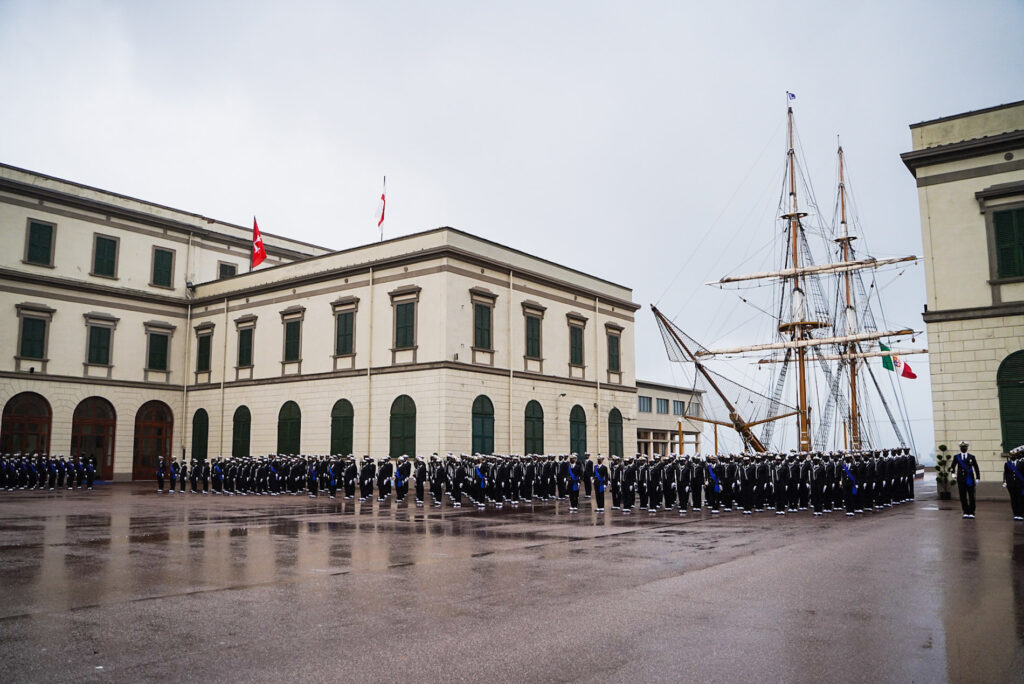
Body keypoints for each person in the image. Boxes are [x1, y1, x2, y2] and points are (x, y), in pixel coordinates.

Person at [952, 441, 980, 519]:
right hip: (961, 479)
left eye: (964, 447)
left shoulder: (972, 457)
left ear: (967, 448)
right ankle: (965, 512)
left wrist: (978, 478)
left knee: (971, 496)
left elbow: (976, 468)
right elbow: (952, 466)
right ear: (960, 448)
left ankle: (972, 512)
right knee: (962, 496)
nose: (963, 448)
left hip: (969, 479)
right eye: (962, 447)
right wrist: (953, 474)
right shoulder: (956, 457)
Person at [1002, 445, 1024, 521]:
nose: (1012, 457)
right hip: (1011, 484)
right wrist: (1004, 481)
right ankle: (1015, 514)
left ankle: (1020, 514)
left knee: (1020, 499)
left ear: (1016, 456)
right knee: (1013, 499)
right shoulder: (1007, 464)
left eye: (1013, 455)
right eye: (1011, 455)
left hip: (1019, 484)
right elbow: (1005, 473)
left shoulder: (1021, 463)